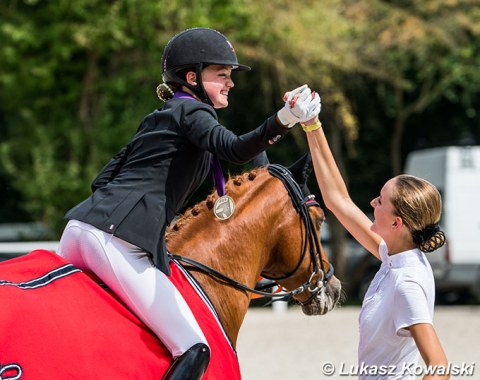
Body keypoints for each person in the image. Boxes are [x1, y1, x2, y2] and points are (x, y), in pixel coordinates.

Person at [57, 27, 319, 380]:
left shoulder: (161, 118)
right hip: (115, 242)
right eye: (222, 75)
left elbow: (102, 181)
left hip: (78, 232)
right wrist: (285, 119)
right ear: (192, 77)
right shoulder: (195, 115)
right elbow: (236, 149)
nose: (230, 83)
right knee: (196, 347)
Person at [300, 100, 450, 379]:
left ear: (397, 223)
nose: (371, 203)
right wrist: (311, 124)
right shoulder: (393, 254)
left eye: (379, 201)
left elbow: (439, 369)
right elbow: (339, 201)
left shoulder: (407, 282)